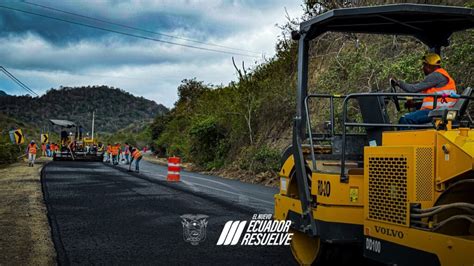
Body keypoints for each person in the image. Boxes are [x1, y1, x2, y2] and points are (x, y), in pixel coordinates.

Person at [392, 53, 457, 125]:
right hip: (439, 110)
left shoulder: (436, 76)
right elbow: (435, 99)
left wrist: (398, 83)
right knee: (408, 117)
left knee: (405, 119)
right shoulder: (441, 75)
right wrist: (415, 104)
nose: (423, 68)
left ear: (429, 66)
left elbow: (413, 89)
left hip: (436, 112)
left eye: (424, 65)